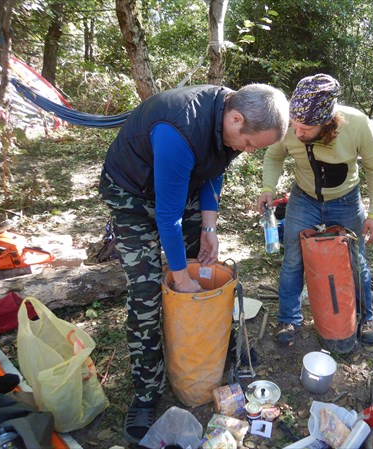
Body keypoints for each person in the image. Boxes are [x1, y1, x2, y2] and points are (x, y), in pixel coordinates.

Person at [98, 82, 289, 445]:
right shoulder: (179, 128)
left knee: (199, 267)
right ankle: (146, 391)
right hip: (132, 195)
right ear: (235, 119)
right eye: (249, 143)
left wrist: (209, 226)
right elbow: (167, 216)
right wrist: (181, 277)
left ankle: (211, 348)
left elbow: (214, 170)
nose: (247, 151)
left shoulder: (232, 123)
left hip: (177, 186)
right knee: (147, 291)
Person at [256, 73, 373, 347]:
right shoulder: (289, 126)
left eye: (305, 128)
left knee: (356, 259)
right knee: (293, 259)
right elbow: (274, 155)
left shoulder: (359, 124)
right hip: (303, 199)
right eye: (294, 124)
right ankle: (289, 320)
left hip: (346, 200)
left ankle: (365, 318)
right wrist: (268, 187)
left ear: (327, 122)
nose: (296, 132)